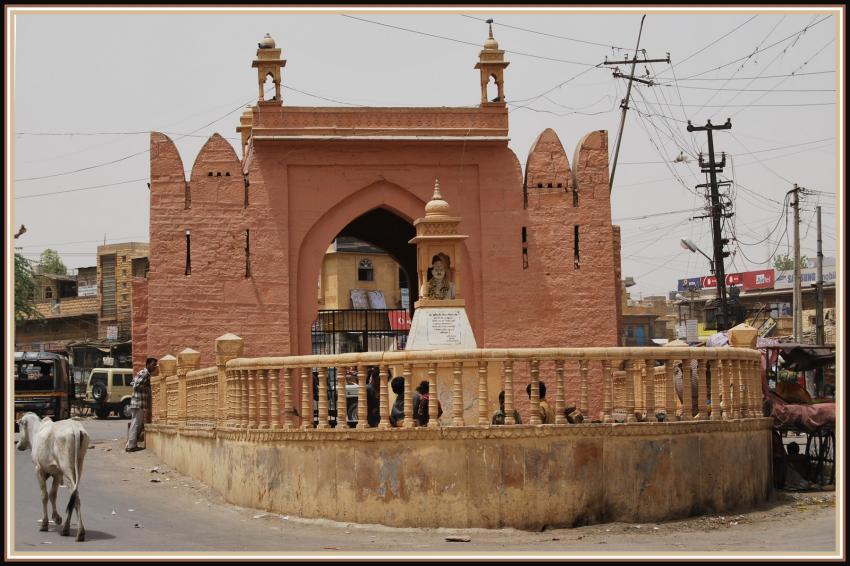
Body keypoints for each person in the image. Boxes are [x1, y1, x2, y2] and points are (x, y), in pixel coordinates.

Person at [126, 357, 157, 452]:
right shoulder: (145, 374)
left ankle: (130, 445)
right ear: (147, 364)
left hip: (137, 402)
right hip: (138, 402)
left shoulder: (142, 373)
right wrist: (147, 386)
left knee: (136, 423)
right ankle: (131, 446)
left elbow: (132, 382)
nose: (154, 367)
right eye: (153, 364)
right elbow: (136, 385)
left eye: (155, 365)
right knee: (136, 424)